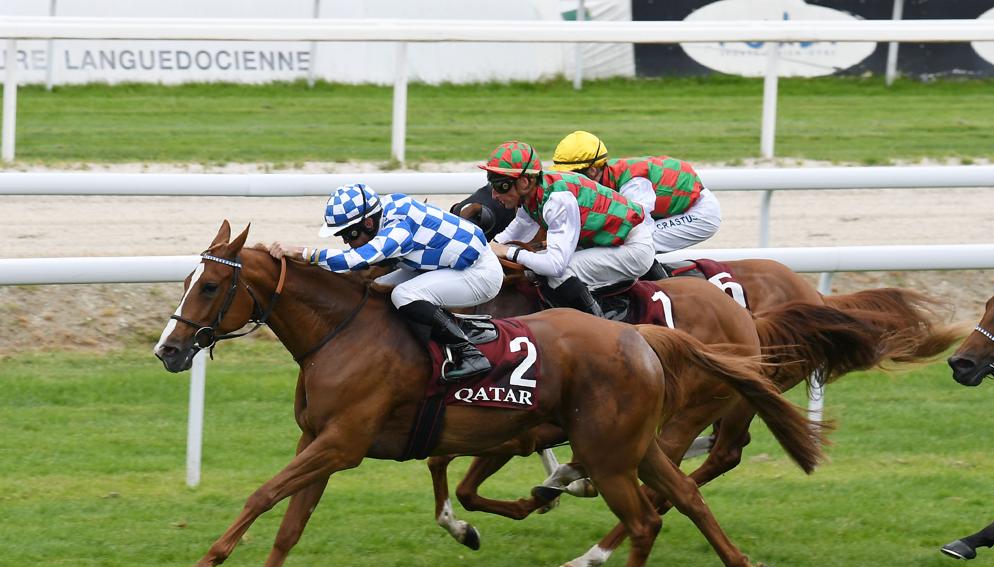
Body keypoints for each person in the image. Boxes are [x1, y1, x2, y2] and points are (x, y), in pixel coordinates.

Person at [268, 183, 503, 381]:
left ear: (368, 224)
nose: (348, 242)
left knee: (404, 295)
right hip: (451, 264)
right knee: (378, 288)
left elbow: (356, 260)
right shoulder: (383, 212)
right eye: (342, 236)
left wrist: (302, 252)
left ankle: (470, 353)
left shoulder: (397, 230)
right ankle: (444, 332)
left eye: (349, 234)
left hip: (479, 274)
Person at [481, 140, 655, 317]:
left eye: (500, 186)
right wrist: (485, 249)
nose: (494, 195)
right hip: (610, 243)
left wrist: (509, 252)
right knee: (535, 266)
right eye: (492, 185)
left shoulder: (557, 200)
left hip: (633, 248)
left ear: (524, 182)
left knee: (558, 275)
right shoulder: (533, 194)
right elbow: (513, 233)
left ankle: (598, 327)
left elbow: (555, 266)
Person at [550, 130, 721, 260]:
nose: (568, 180)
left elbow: (639, 226)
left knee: (637, 243)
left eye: (571, 174)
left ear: (593, 170)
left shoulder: (633, 184)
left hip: (700, 214)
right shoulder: (605, 177)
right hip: (677, 207)